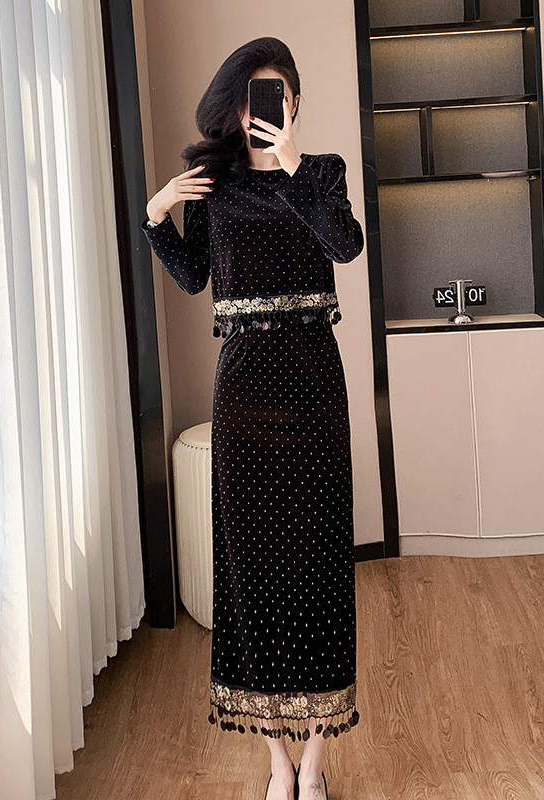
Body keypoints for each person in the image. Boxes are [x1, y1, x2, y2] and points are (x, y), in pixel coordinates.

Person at [141, 36, 364, 800]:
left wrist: (295, 167)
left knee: (321, 573)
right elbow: (193, 275)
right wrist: (157, 214)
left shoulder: (322, 172)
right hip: (243, 393)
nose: (259, 110)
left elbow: (345, 245)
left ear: (293, 102)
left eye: (274, 96)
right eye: (249, 98)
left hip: (315, 388)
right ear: (234, 108)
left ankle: (316, 763)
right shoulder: (216, 184)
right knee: (250, 576)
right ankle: (277, 762)